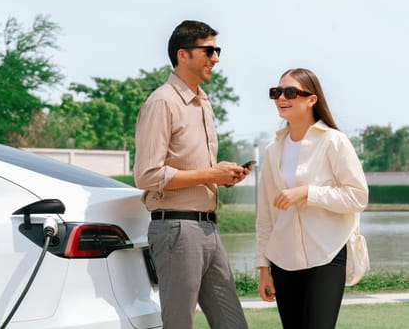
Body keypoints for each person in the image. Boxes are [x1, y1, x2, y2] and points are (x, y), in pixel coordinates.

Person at [133, 20, 249, 329]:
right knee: (179, 323)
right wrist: (210, 174)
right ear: (183, 55)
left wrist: (222, 175)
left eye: (217, 50)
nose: (216, 58)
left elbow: (195, 168)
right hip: (177, 229)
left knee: (232, 322)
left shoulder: (203, 102)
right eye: (209, 50)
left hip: (208, 228)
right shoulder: (162, 102)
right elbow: (147, 175)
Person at [255, 68, 369, 329]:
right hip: (283, 260)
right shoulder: (273, 151)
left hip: (326, 255)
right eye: (276, 92)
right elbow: (265, 216)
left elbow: (357, 197)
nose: (281, 97)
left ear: (311, 99)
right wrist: (263, 269)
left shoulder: (334, 142)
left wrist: (307, 192)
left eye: (291, 92)